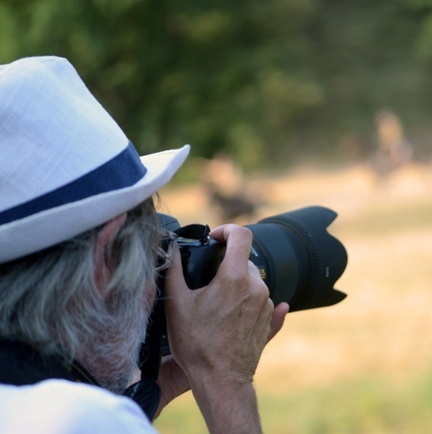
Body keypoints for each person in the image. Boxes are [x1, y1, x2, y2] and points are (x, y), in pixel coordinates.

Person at [0, 56, 289, 433]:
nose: (157, 287)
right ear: (108, 255)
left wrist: (139, 398)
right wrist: (224, 383)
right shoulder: (73, 420)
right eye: (153, 256)